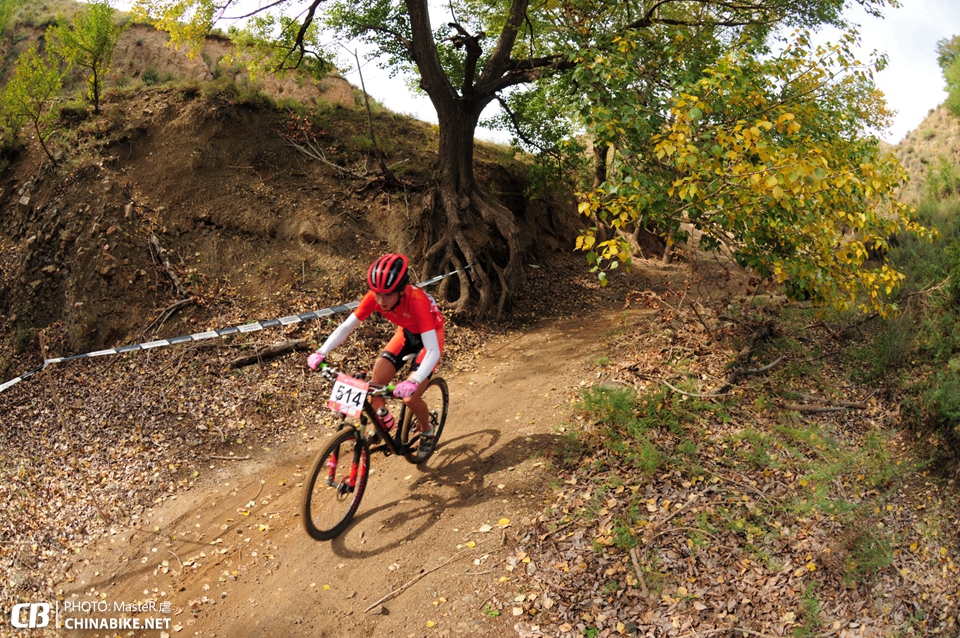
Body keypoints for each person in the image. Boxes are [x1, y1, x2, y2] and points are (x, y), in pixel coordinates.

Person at [307, 254, 444, 451]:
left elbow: (432, 349)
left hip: (430, 338)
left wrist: (413, 381)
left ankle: (427, 431)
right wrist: (321, 352)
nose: (381, 300)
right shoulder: (374, 297)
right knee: (375, 382)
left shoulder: (416, 301)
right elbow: (346, 328)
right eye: (377, 293)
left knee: (410, 398)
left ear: (401, 291)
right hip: (405, 334)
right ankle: (383, 422)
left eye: (387, 295)